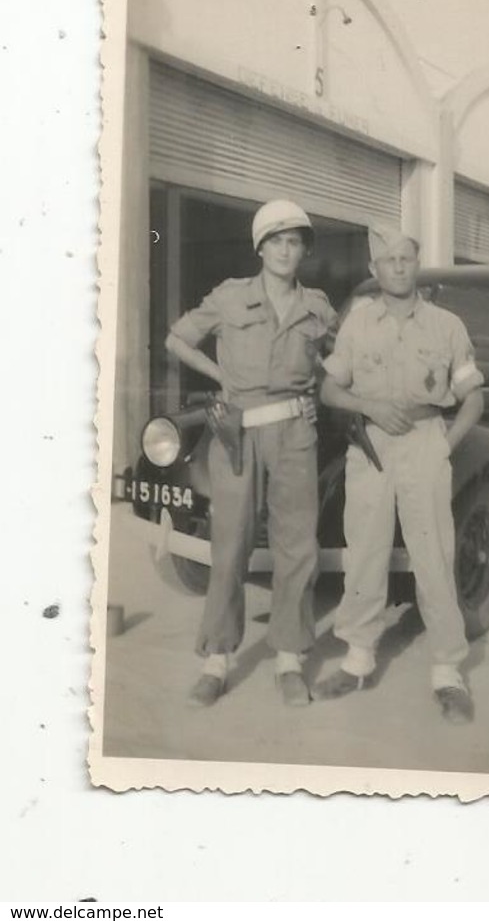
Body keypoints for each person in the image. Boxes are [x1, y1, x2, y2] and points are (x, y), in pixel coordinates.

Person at [165, 199, 336, 708]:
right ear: (260, 248)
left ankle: (289, 659)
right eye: (276, 242)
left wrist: (311, 398)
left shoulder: (319, 307)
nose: (285, 251)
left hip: (294, 438)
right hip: (236, 434)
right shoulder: (229, 297)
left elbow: (336, 363)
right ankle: (216, 660)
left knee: (296, 548)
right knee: (230, 547)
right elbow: (177, 339)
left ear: (303, 250)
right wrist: (224, 379)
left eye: (294, 242)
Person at [313, 225, 484, 724]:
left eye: (407, 258)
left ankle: (448, 670)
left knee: (433, 553)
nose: (399, 267)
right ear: (374, 270)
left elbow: (473, 398)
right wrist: (368, 405)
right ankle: (358, 657)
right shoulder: (357, 323)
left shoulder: (447, 325)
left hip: (427, 440)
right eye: (388, 260)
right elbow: (330, 391)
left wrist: (443, 447)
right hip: (371, 444)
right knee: (364, 548)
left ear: (417, 263)